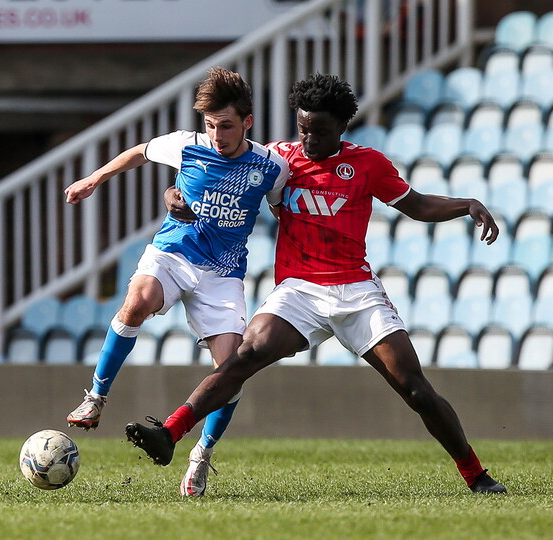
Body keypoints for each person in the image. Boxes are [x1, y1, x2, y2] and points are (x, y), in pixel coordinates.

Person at [125, 73, 507, 494]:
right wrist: (171, 194)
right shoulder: (278, 160)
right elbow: (207, 176)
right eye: (303, 128)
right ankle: (171, 433)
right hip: (299, 291)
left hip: (357, 291)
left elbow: (415, 205)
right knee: (243, 356)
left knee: (414, 388)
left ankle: (476, 475)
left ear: (342, 128)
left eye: (319, 132)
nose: (308, 140)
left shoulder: (368, 164)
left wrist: (466, 204)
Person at [63, 67, 289, 496]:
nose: (217, 135)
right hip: (173, 252)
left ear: (248, 121)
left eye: (225, 125)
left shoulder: (270, 166)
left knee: (232, 371)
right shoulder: (188, 145)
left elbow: (282, 211)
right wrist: (94, 179)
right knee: (136, 302)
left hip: (222, 274)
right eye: (211, 125)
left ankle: (201, 455)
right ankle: (96, 397)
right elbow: (140, 152)